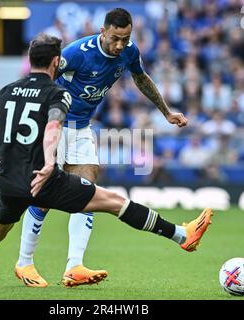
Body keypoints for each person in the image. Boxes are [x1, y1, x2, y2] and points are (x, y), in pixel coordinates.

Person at [0, 33, 213, 296]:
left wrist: (1, 152)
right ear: (57, 62)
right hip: (45, 174)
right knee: (115, 202)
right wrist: (49, 162)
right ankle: (180, 235)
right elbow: (54, 125)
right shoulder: (60, 90)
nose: (120, 44)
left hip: (9, 179)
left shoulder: (8, 90)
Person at [16, 8, 189, 288]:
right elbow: (42, 78)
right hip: (53, 125)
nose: (120, 45)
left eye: (126, 38)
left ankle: (74, 267)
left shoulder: (129, 52)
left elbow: (141, 78)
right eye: (115, 38)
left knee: (87, 191)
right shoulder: (77, 53)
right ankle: (24, 262)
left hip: (82, 127)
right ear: (102, 32)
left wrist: (166, 112)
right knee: (44, 196)